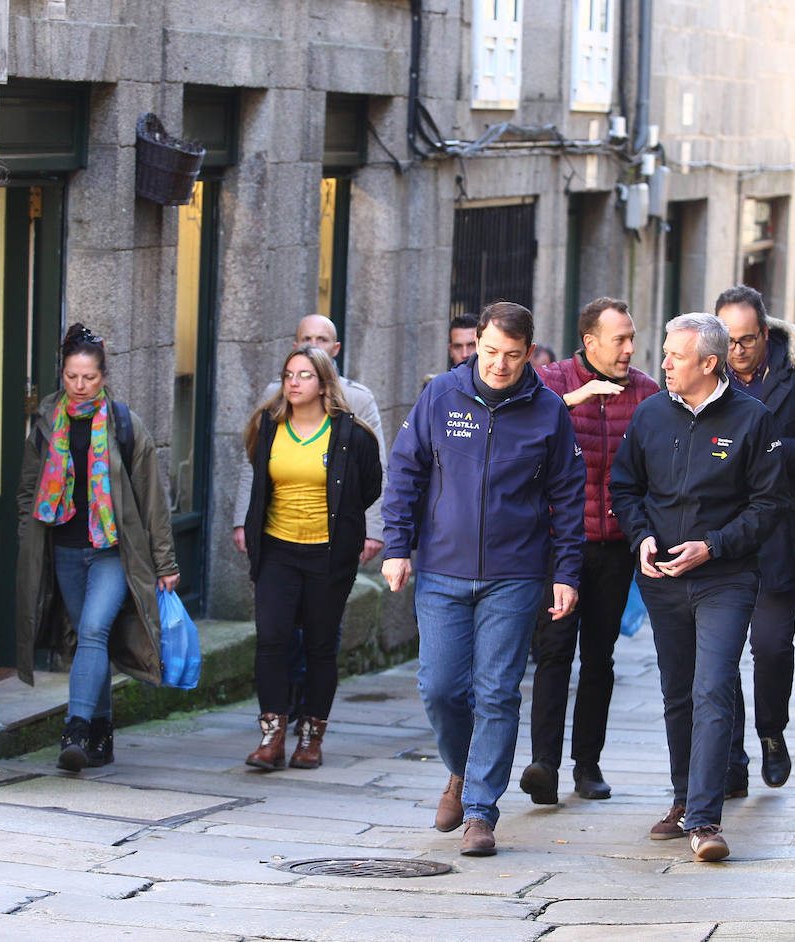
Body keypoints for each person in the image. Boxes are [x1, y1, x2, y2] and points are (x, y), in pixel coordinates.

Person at [382, 301, 586, 857]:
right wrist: (397, 546)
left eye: (512, 356)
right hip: (442, 569)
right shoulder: (441, 396)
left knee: (497, 692)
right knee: (441, 687)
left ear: (529, 353)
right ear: (477, 344)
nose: (499, 365)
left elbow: (568, 497)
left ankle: (479, 810)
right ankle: (461, 770)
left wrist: (566, 572)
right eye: (491, 352)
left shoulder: (547, 411)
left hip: (515, 574)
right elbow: (405, 470)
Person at [610, 312, 787, 863]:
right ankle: (684, 797)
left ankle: (705, 821)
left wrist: (712, 546)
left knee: (714, 687)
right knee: (678, 691)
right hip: (663, 579)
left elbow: (769, 505)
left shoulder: (752, 420)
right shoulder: (650, 415)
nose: (662, 364)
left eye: (675, 356)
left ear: (709, 364)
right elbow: (624, 486)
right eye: (664, 353)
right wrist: (640, 536)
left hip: (725, 579)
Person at [16, 323, 181, 772]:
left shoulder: (126, 424)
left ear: (103, 376)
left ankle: (75, 728)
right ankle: (102, 737)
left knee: (91, 630)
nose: (80, 385)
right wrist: (26, 542)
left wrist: (165, 561)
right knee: (94, 641)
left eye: (88, 377)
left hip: (112, 550)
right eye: (71, 377)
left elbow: (152, 498)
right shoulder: (46, 423)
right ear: (62, 375)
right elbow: (29, 492)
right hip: (65, 549)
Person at [521, 297, 660, 804]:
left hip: (615, 546)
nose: (629, 348)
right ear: (590, 341)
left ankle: (588, 764)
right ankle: (544, 764)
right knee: (554, 652)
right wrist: (576, 398)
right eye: (619, 339)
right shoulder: (551, 382)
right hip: (560, 544)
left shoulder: (646, 392)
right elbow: (523, 434)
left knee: (600, 656)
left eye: (631, 338)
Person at [231, 315, 388, 730]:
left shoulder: (351, 431)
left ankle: (311, 731)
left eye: (304, 376)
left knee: (320, 644)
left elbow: (372, 481)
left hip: (328, 551)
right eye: (288, 375)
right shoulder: (268, 422)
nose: (294, 383)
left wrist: (364, 528)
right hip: (277, 547)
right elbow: (253, 472)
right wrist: (243, 524)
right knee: (272, 639)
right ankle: (272, 731)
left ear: (324, 381)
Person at [714, 285, 795, 795]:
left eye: (747, 340)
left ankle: (772, 733)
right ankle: (731, 757)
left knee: (769, 646)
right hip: (719, 535)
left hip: (781, 533)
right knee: (720, 654)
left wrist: (768, 449)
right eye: (729, 340)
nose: (737, 350)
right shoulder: (702, 372)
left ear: (766, 334)